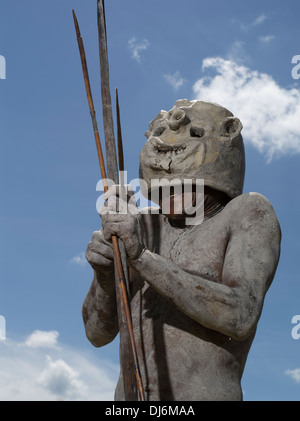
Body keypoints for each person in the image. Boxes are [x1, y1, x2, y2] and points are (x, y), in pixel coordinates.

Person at [83, 100, 281, 401]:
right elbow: (97, 333)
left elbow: (240, 315)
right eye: (162, 190)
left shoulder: (247, 212)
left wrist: (141, 258)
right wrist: (106, 274)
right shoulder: (144, 225)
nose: (169, 198)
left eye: (184, 187)